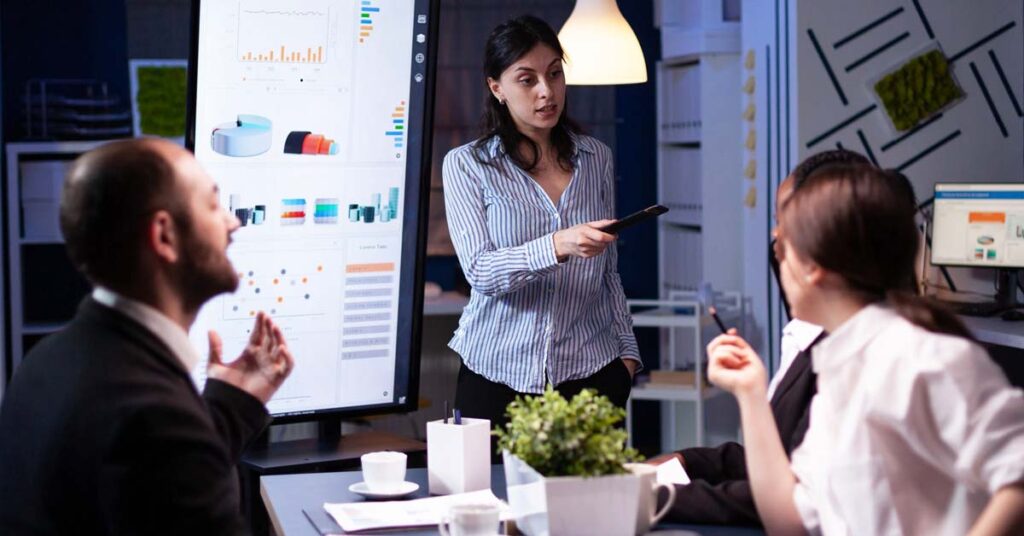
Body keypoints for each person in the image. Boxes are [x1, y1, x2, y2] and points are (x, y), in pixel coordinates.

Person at [707, 163, 1024, 534]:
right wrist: (750, 395)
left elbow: (1017, 474)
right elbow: (790, 522)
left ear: (814, 267)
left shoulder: (924, 358)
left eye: (783, 248)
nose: (778, 262)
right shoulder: (837, 372)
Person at [0, 139, 295, 535]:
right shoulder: (155, 422)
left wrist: (231, 405)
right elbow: (162, 458)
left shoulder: (46, 361)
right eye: (212, 205)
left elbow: (150, 499)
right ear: (164, 236)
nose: (233, 222)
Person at [651, 149, 870, 525]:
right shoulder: (808, 336)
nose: (775, 240)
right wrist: (686, 462)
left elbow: (787, 502)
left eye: (785, 225)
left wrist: (654, 496)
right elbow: (774, 455)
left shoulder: (858, 358)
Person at [442, 15, 640, 428]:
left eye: (554, 74)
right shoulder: (467, 166)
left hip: (591, 373)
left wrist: (628, 356)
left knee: (592, 494)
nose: (547, 92)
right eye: (527, 79)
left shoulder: (595, 158)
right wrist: (557, 245)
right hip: (497, 375)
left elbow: (608, 272)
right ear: (496, 87)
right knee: (486, 493)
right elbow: (480, 271)